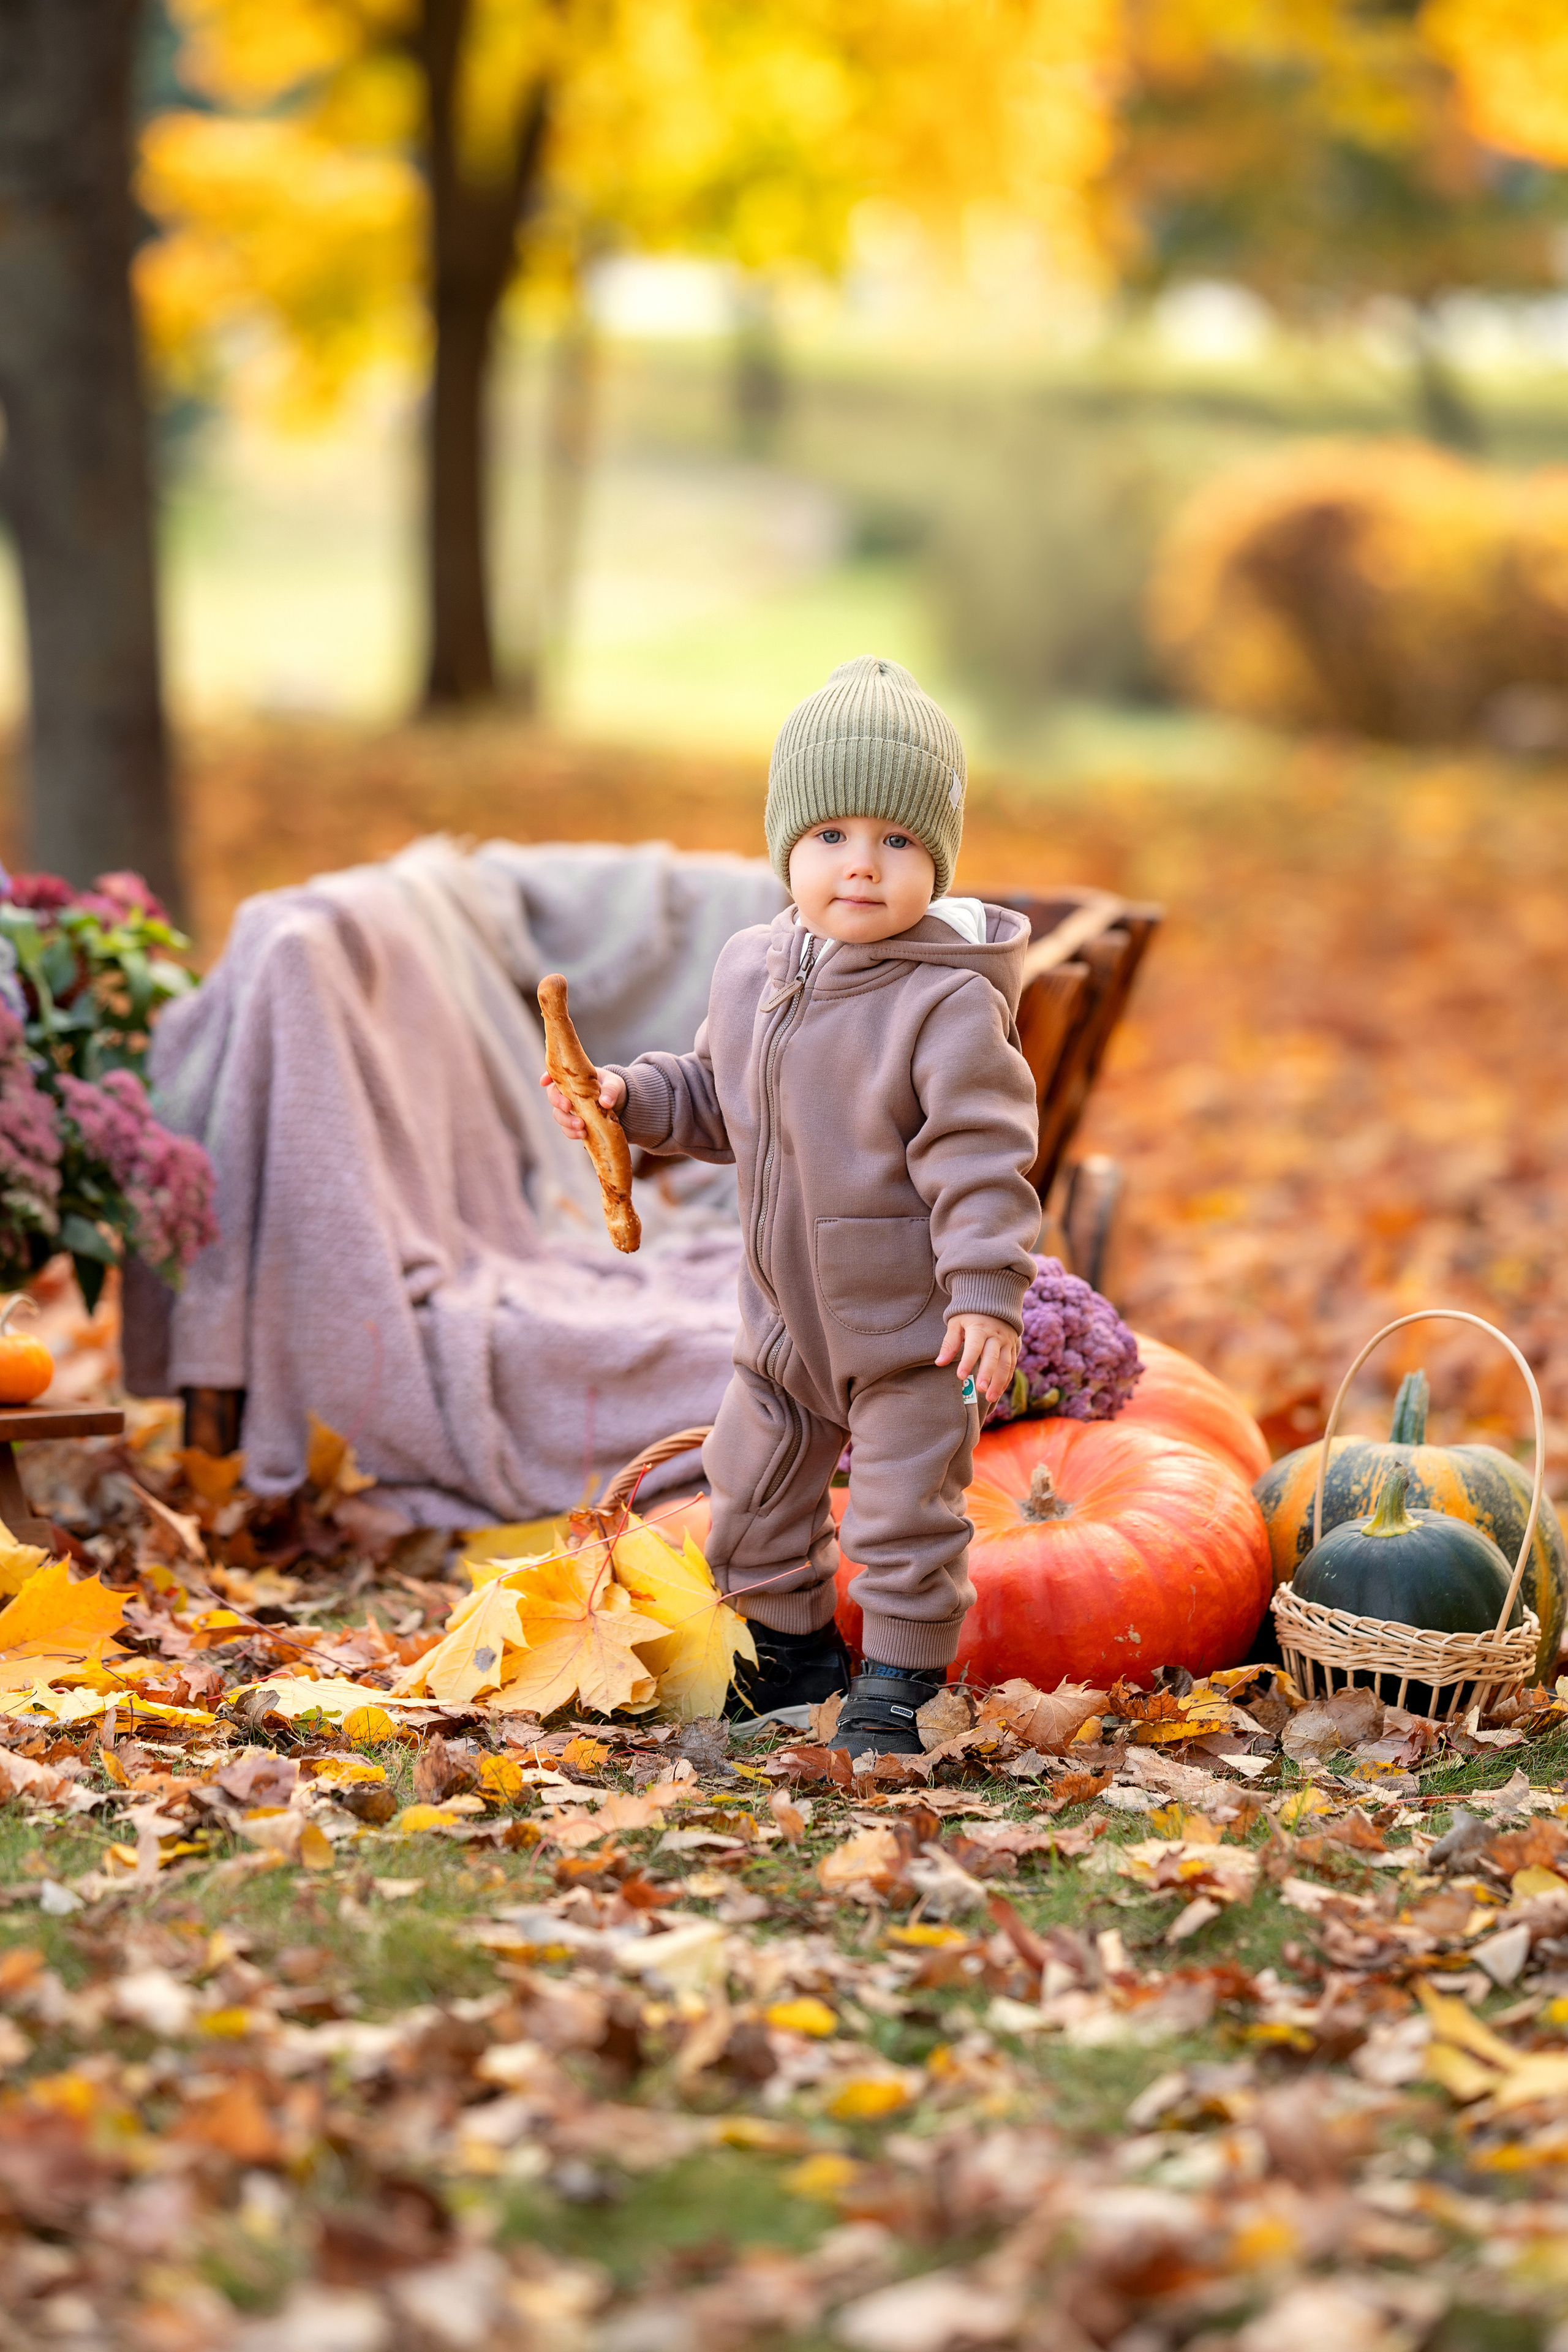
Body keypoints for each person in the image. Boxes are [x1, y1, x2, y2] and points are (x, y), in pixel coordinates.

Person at [542, 655, 1040, 1753]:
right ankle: (794, 1661)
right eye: (832, 838)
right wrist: (629, 1099)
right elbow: (721, 1099)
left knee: (908, 1516)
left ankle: (898, 1691)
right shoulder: (755, 966)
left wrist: (987, 1293)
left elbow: (981, 1158)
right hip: (780, 1330)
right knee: (750, 1492)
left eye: (897, 842)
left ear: (937, 859)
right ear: (787, 846)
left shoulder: (948, 1003)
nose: (862, 867)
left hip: (913, 1335)